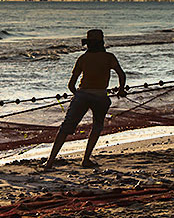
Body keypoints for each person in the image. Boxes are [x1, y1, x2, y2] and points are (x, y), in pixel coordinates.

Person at [44, 29, 127, 169]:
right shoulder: (109, 57)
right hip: (101, 96)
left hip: (82, 95)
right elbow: (121, 74)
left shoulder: (82, 59)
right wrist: (120, 89)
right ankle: (86, 159)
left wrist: (78, 94)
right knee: (96, 126)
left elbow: (71, 85)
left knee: (66, 128)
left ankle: (50, 162)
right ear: (102, 43)